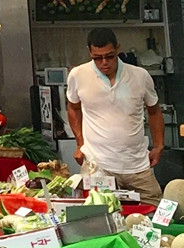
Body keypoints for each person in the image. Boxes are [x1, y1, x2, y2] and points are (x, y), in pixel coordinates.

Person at [65, 27, 164, 200]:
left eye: (110, 56)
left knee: (155, 214)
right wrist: (80, 142)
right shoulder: (78, 75)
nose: (104, 62)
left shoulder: (140, 76)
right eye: (97, 58)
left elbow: (154, 110)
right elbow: (73, 108)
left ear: (118, 49)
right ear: (89, 52)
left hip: (137, 165)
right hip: (97, 165)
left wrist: (158, 145)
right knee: (97, 218)